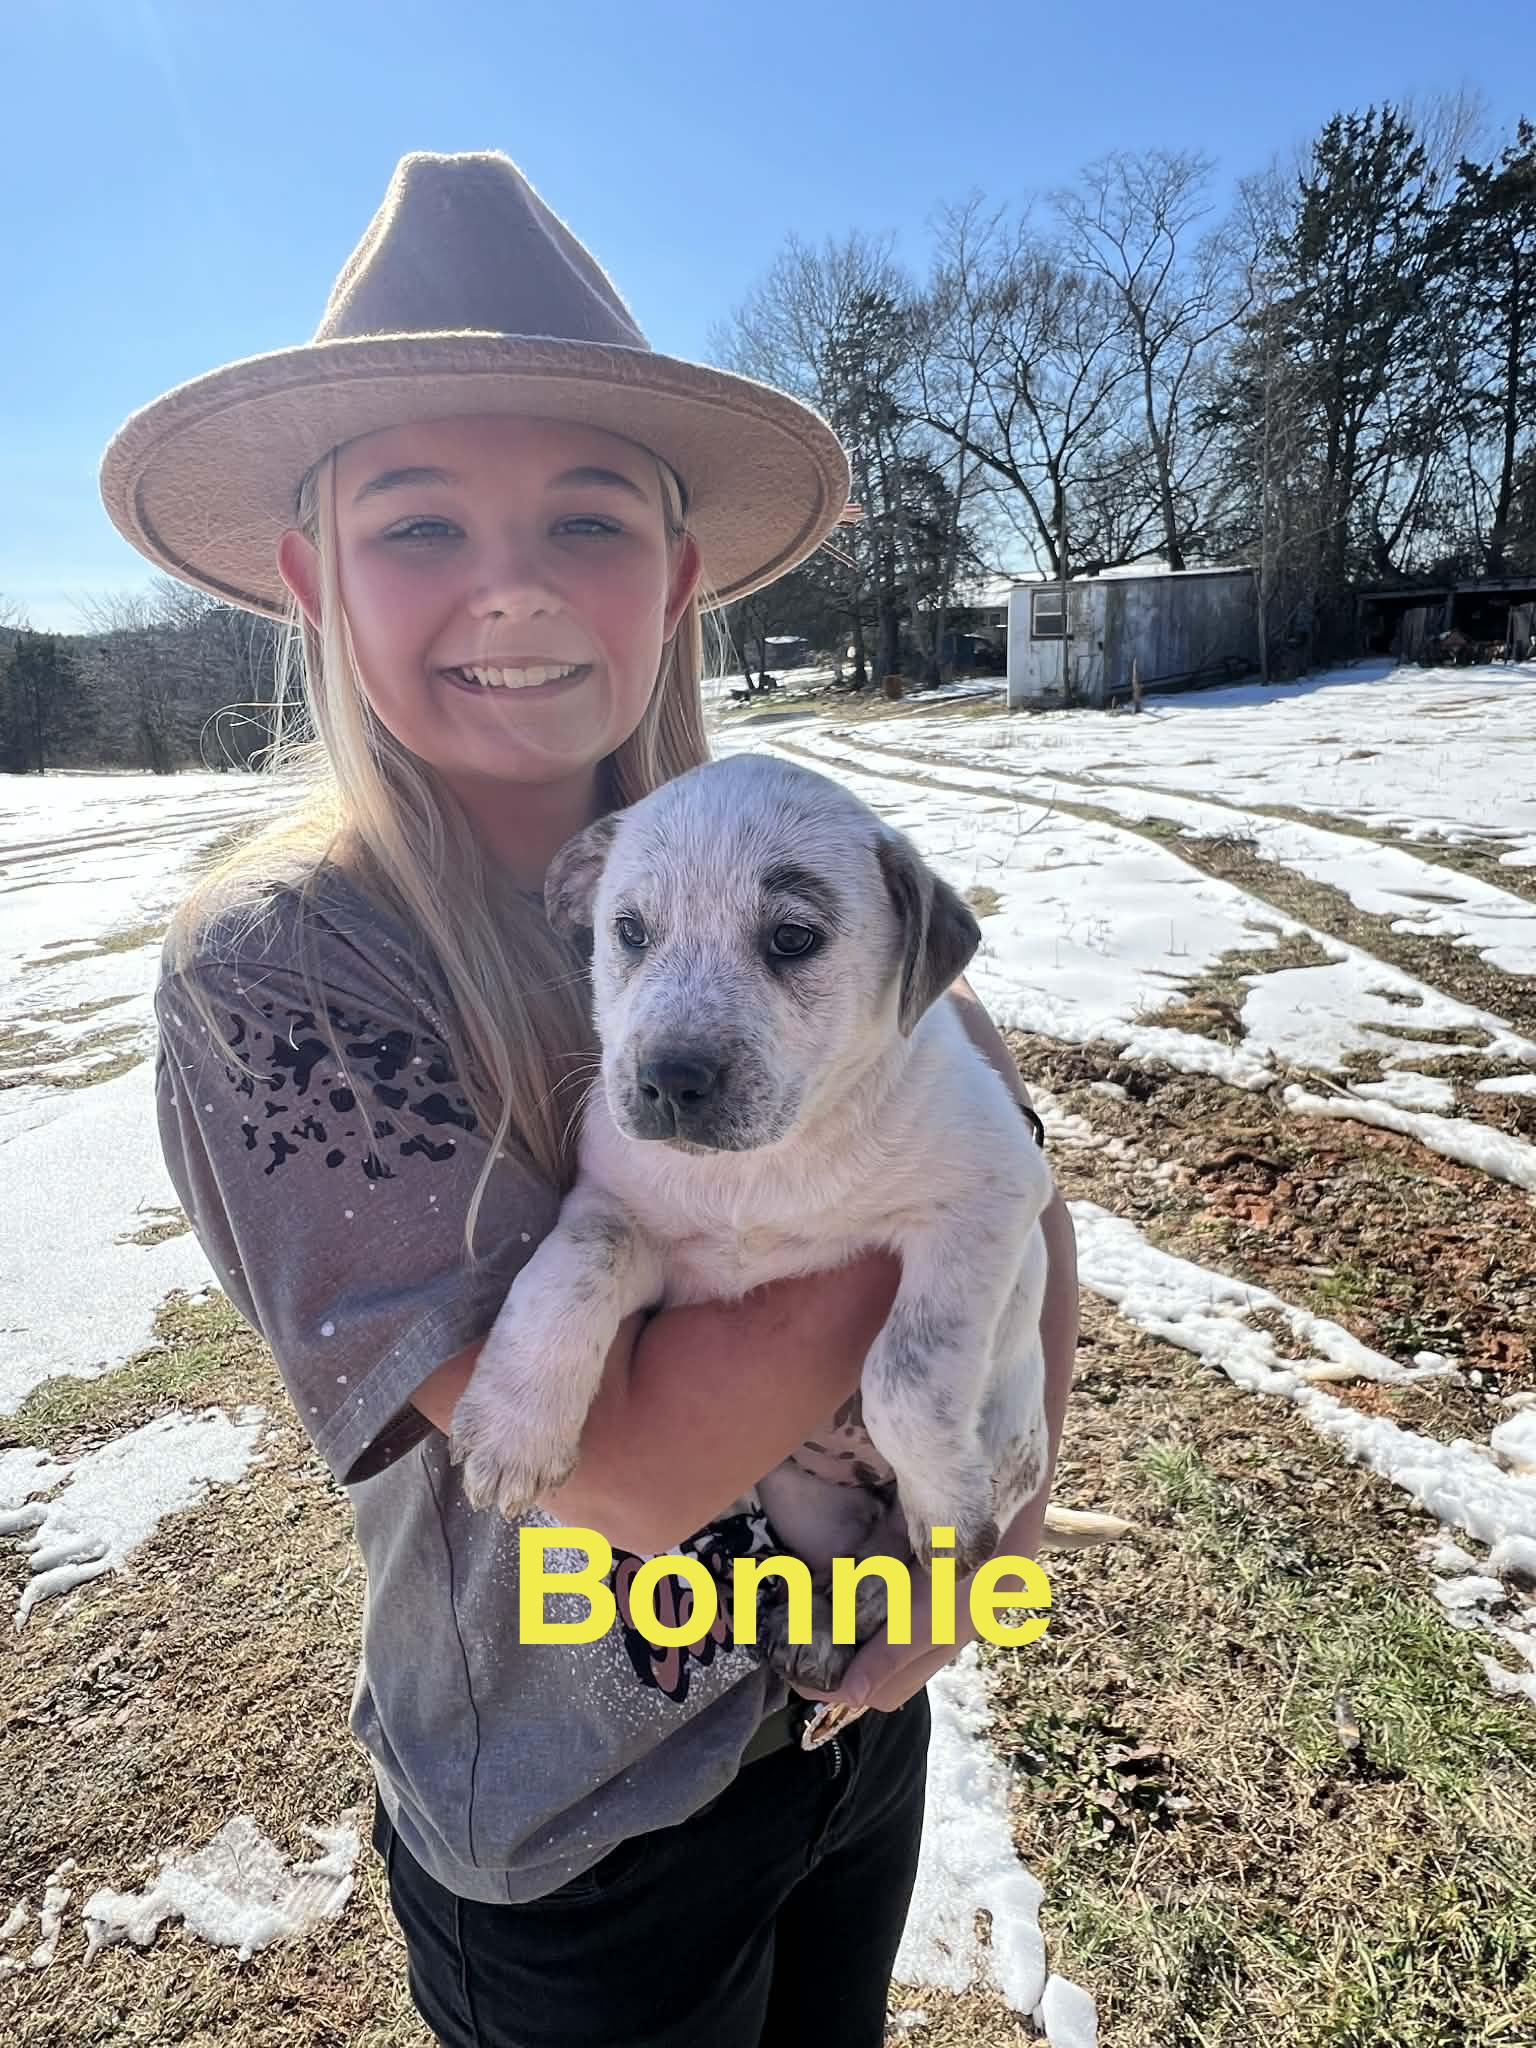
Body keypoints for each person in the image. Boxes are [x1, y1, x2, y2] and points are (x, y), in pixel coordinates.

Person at [101, 150, 1078, 2048]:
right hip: (571, 1826)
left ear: (680, 571)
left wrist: (991, 1571)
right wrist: (915, 1223)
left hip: (848, 1731)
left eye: (588, 520)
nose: (515, 590)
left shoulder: (804, 852)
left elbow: (1024, 1189)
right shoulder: (278, 978)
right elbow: (621, 1478)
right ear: (307, 575)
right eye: (413, 527)